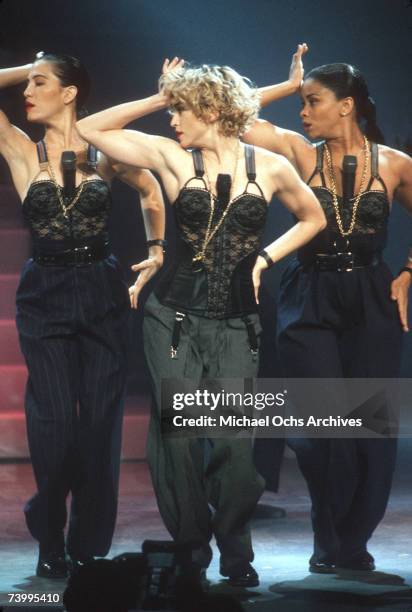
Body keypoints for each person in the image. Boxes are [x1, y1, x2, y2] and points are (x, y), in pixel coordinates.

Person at [76, 57, 326, 587]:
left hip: (237, 324)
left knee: (235, 449)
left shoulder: (271, 166)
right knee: (178, 441)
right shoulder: (170, 157)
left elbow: (315, 217)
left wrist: (265, 259)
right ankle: (191, 548)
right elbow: (90, 128)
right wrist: (161, 94)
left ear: (212, 109)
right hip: (173, 320)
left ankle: (235, 549)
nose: (173, 120)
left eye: (182, 109)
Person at [244, 45, 412, 572]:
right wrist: (288, 84)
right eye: (302, 100)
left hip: (370, 296)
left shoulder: (395, 164)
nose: (302, 111)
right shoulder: (297, 151)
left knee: (369, 428)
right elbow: (235, 115)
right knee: (321, 430)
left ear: (347, 105)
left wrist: (409, 271)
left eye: (312, 100)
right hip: (307, 294)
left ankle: (353, 540)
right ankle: (327, 530)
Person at [0, 52, 165, 578]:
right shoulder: (21, 147)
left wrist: (157, 247)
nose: (27, 92)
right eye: (26, 84)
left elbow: (150, 188)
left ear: (70, 93)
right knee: (52, 425)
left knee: (98, 425)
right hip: (44, 292)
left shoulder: (104, 149)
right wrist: (30, 64)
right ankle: (49, 536)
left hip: (100, 289)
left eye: (40, 83)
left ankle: (89, 543)